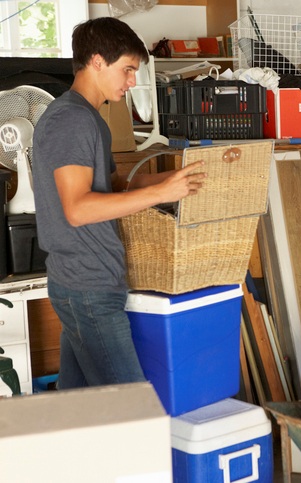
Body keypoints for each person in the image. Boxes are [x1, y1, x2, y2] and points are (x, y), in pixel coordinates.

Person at [32, 17, 206, 390]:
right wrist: (161, 195)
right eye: (127, 70)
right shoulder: (73, 120)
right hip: (88, 286)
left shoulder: (89, 118)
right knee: (130, 406)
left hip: (87, 281)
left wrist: (174, 180)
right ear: (97, 62)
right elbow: (78, 208)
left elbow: (112, 186)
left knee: (79, 405)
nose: (131, 82)